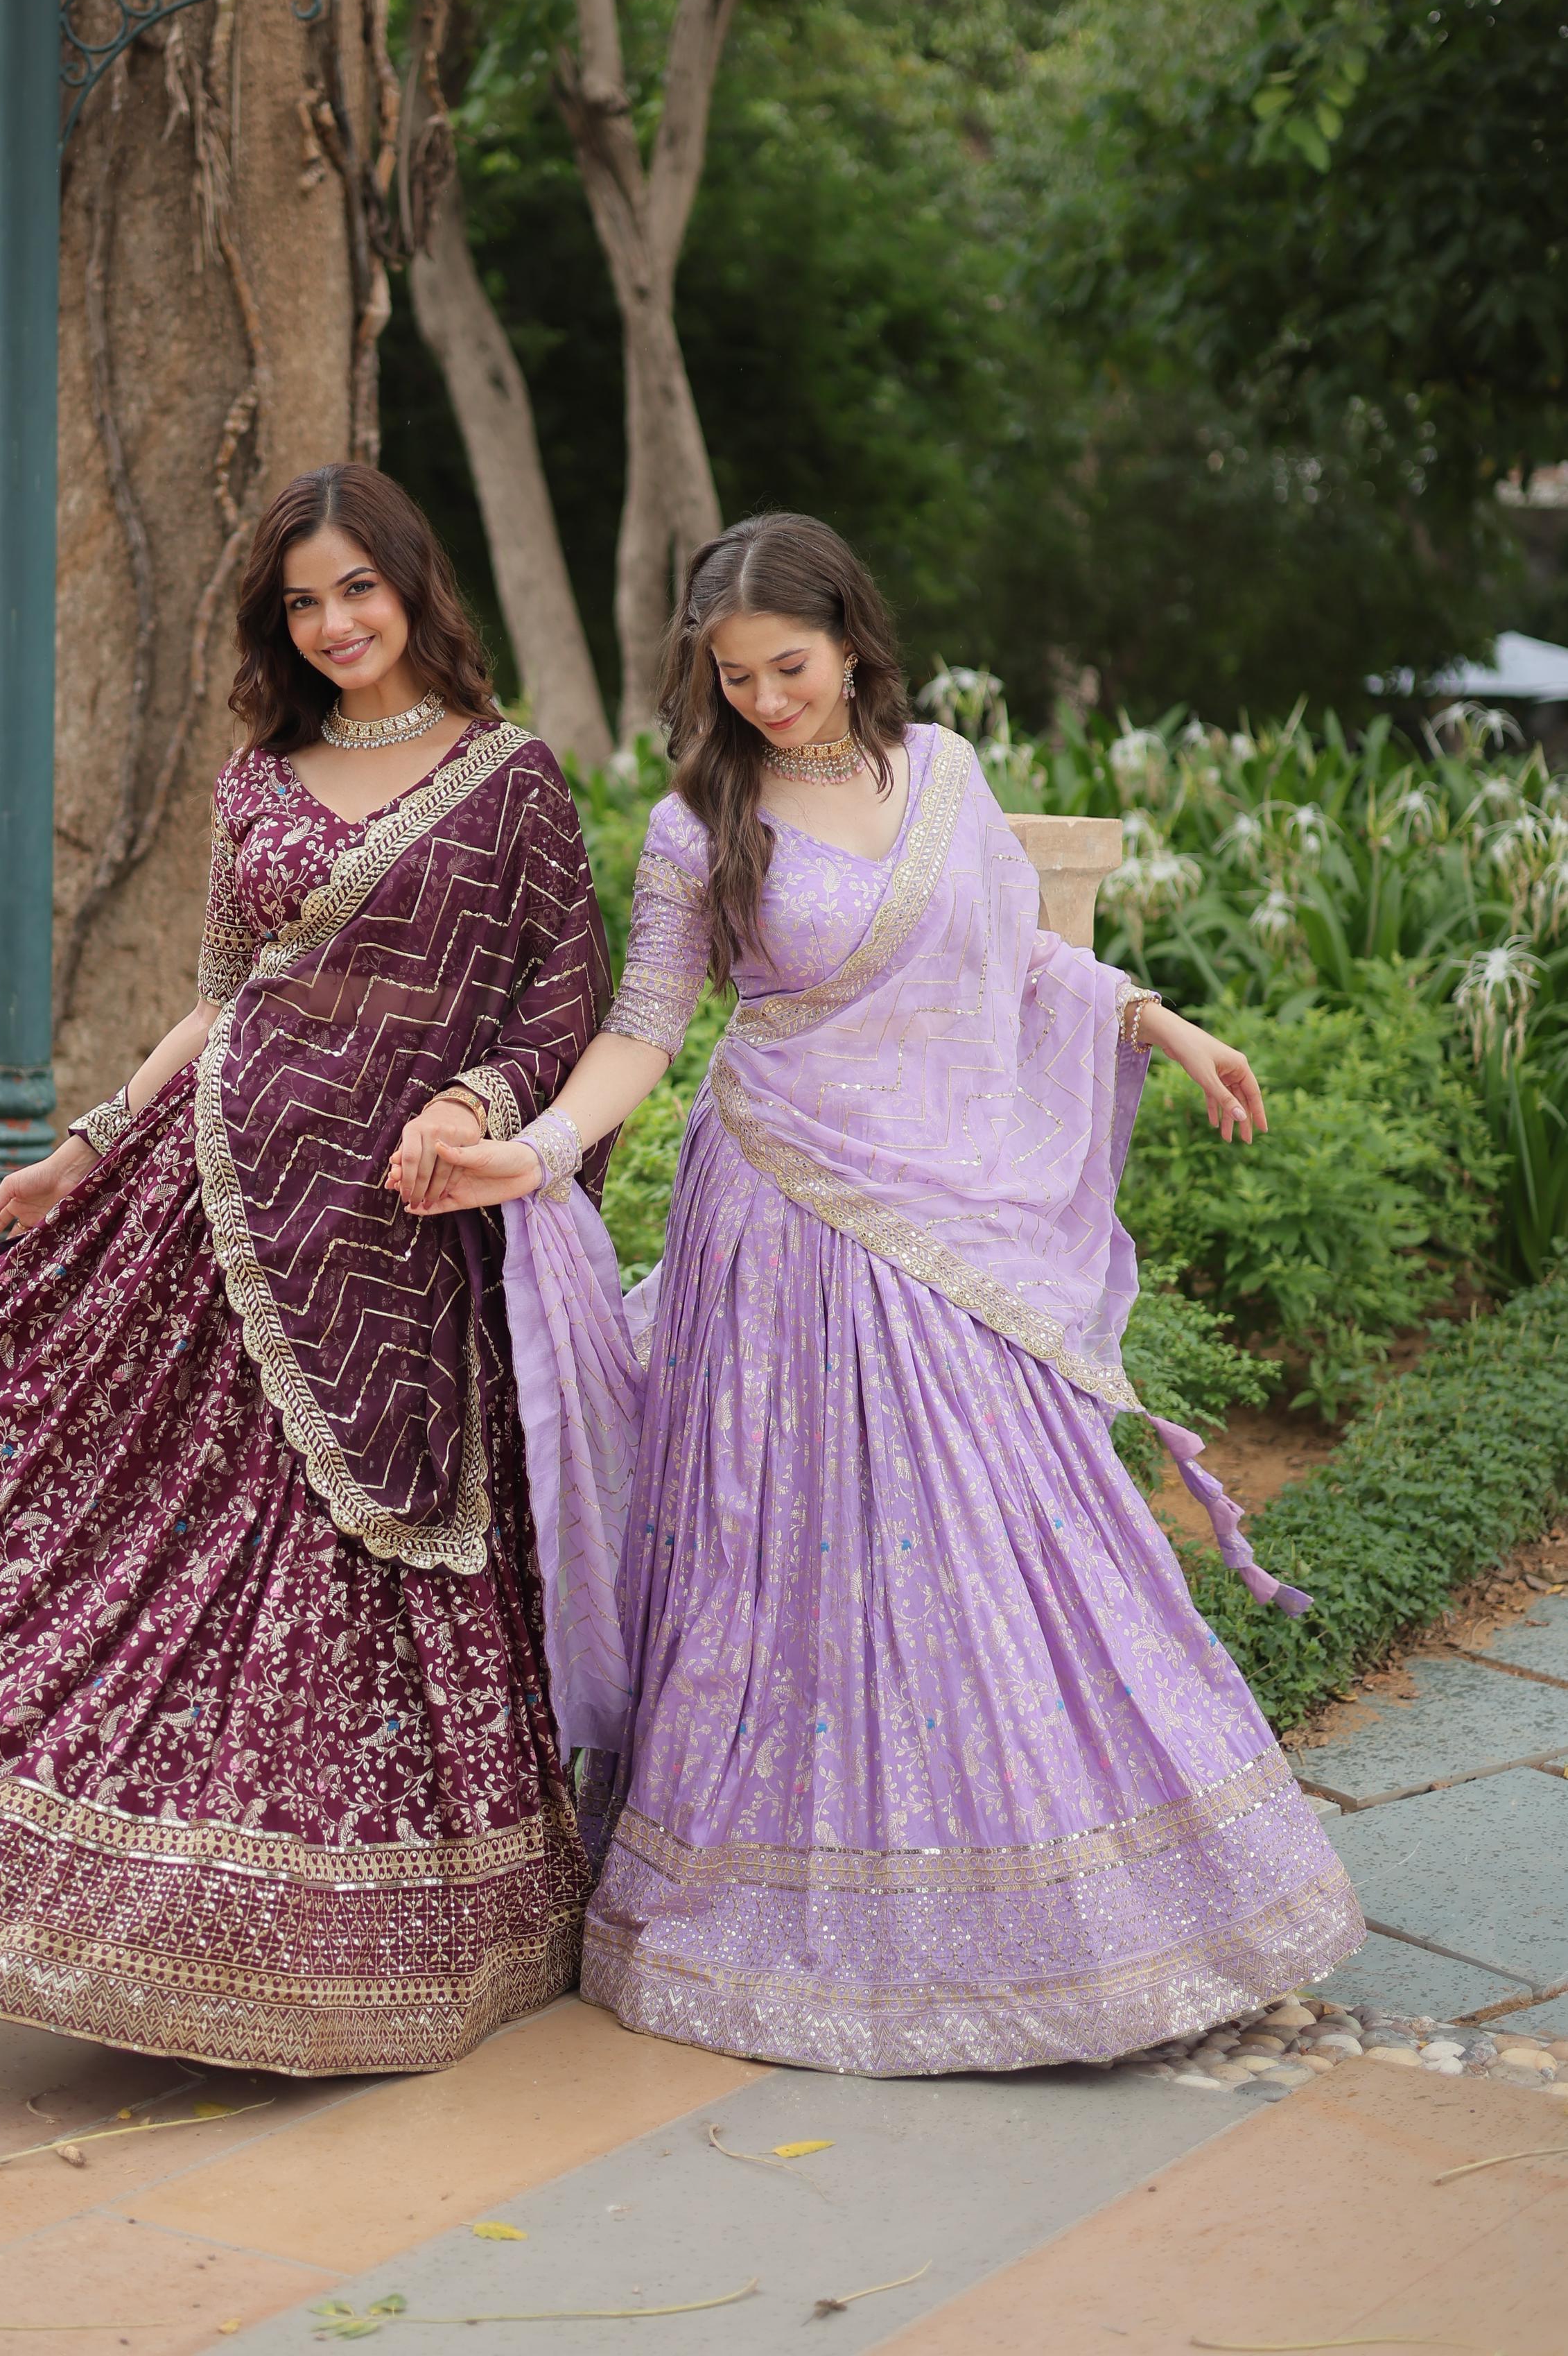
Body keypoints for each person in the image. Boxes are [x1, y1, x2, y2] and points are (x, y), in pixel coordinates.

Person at [0, 464, 612, 2077]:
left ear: (412, 586)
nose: (334, 624)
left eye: (356, 589)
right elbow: (226, 999)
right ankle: (155, 1934)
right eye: (303, 602)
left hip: (405, 1236)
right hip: (210, 1209)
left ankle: (353, 1941)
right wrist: (86, 1142)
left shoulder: (512, 783)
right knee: (114, 1530)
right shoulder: (259, 781)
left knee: (346, 1567)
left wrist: (472, 1106)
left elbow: (553, 1009)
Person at [401, 512, 1364, 2079]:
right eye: (737, 677)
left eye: (789, 666)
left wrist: (1159, 1022)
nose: (769, 699)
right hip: (780, 1221)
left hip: (932, 1214)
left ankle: (1078, 1914)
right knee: (784, 1560)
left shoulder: (947, 778)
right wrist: (546, 1147)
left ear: (851, 636)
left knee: (1013, 1520)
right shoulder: (700, 821)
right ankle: (796, 1916)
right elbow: (648, 1020)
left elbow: (1025, 963)